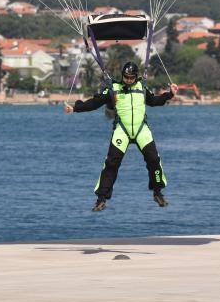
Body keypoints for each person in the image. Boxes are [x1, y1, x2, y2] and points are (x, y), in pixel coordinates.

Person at [64, 61, 177, 211]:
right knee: (111, 164)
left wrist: (169, 94)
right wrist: (75, 108)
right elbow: (94, 103)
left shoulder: (142, 88)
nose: (129, 80)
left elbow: (155, 101)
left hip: (141, 129)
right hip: (122, 130)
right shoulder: (113, 89)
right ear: (122, 75)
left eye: (131, 78)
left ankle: (158, 192)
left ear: (136, 77)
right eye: (126, 77)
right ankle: (101, 199)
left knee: (154, 160)